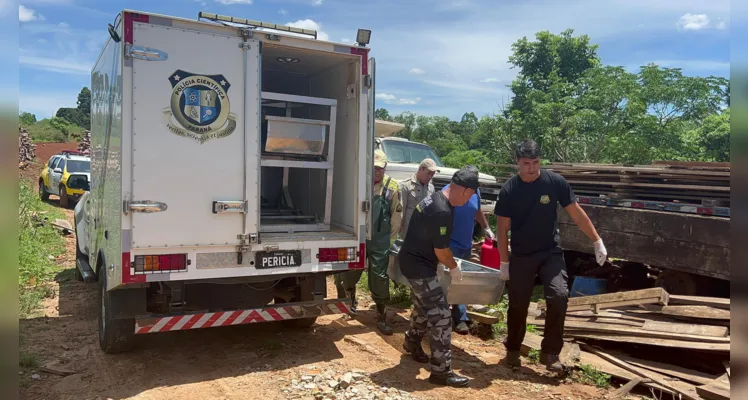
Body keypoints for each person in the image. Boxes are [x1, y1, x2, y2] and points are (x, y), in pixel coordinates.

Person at [495, 140, 607, 373]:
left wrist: (596, 240)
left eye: (535, 163)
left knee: (559, 295)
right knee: (518, 304)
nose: (532, 168)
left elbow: (576, 212)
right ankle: (513, 349)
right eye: (526, 163)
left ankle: (550, 353)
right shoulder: (510, 190)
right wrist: (504, 262)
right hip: (522, 254)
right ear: (517, 162)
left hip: (550, 252)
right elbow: (502, 229)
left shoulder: (554, 182)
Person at [398, 167, 479, 388]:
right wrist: (454, 267)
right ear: (465, 191)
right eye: (471, 195)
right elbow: (442, 251)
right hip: (419, 266)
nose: (470, 200)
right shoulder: (442, 210)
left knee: (424, 307)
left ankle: (412, 343)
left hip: (413, 261)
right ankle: (441, 371)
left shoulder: (436, 198)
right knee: (442, 315)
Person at [334, 149, 402, 335]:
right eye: (374, 168)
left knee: (379, 276)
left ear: (385, 168)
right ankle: (350, 304)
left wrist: (388, 237)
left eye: (380, 168)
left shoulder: (393, 187)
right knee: (350, 271)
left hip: (380, 239)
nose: (377, 172)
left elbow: (397, 216)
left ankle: (381, 316)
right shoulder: (358, 184)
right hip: (357, 237)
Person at [442, 165, 495, 335]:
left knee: (461, 282)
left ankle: (459, 317)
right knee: (448, 282)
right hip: (450, 243)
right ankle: (444, 318)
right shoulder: (448, 192)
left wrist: (486, 227)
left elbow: (477, 210)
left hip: (466, 244)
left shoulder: (474, 192)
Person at [399, 159, 437, 240]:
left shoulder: (431, 188)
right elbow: (401, 210)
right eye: (428, 173)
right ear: (420, 169)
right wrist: (400, 229)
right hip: (409, 229)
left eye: (432, 174)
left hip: (424, 230)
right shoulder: (406, 185)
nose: (430, 177)